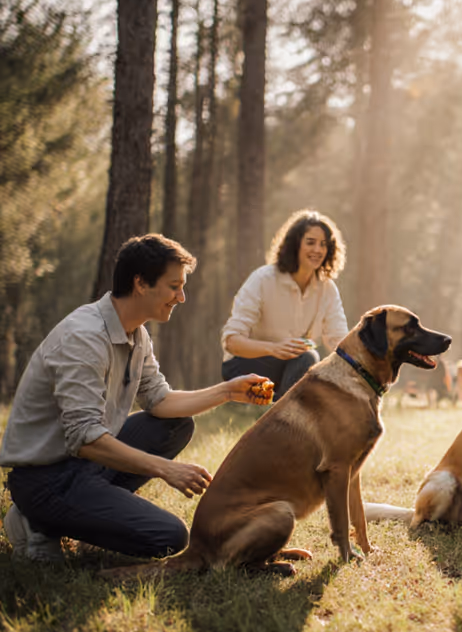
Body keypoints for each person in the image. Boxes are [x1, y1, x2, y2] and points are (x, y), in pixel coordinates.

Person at [1, 234, 272, 563]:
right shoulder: (84, 338)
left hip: (84, 466)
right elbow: (85, 439)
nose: (181, 297)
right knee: (169, 537)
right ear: (141, 283)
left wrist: (229, 390)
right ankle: (37, 518)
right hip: (47, 478)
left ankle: (85, 517)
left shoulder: (136, 333)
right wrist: (165, 469)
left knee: (174, 425)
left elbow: (159, 400)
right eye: (174, 286)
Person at [221, 209, 349, 401]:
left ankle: (283, 413)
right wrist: (273, 349)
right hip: (243, 369)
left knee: (315, 366)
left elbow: (339, 340)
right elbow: (232, 342)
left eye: (323, 244)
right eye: (310, 242)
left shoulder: (327, 289)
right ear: (295, 244)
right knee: (308, 358)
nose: (318, 250)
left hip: (292, 370)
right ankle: (281, 419)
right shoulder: (263, 279)